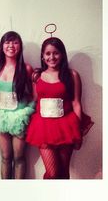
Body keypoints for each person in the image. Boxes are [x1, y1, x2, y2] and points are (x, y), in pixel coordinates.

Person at [25, 36, 93, 179]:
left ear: (62, 54)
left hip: (66, 125)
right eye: (48, 53)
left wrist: (78, 132)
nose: (52, 57)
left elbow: (76, 103)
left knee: (63, 173)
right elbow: (35, 99)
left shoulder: (72, 75)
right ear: (42, 56)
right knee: (53, 173)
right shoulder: (37, 76)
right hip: (43, 127)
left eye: (56, 53)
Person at [0, 31, 35, 179]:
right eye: (7, 42)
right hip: (0, 116)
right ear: (2, 46)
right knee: (6, 157)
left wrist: (28, 110)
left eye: (15, 42)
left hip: (19, 116)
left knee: (19, 157)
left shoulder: (26, 68)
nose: (11, 46)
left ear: (20, 46)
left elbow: (34, 93)